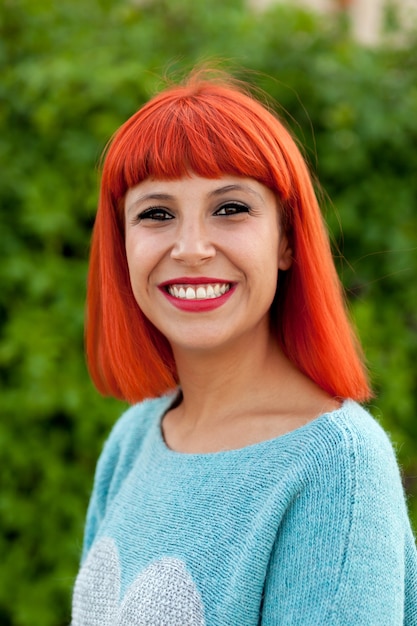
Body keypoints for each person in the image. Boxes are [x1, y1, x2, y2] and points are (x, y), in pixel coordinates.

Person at [71, 69, 417, 625]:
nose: (191, 249)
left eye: (230, 208)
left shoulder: (338, 468)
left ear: (285, 239)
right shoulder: (133, 438)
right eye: (156, 214)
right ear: (123, 246)